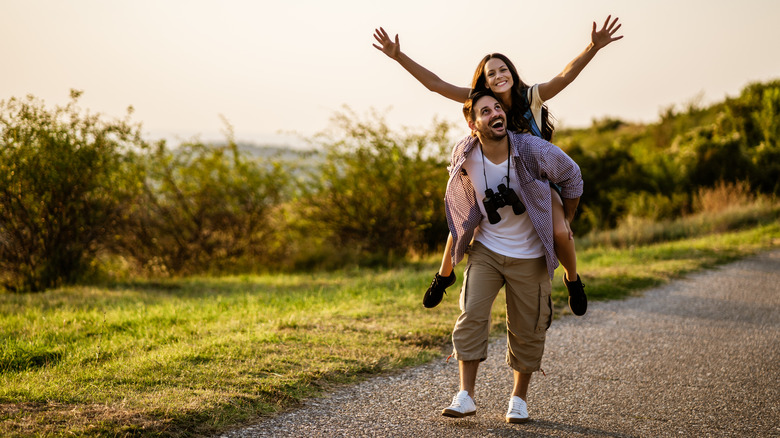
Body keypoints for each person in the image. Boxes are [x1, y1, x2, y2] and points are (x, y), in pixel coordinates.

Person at [372, 16, 622, 315]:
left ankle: (572, 280)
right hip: (492, 177)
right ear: (484, 80)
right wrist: (398, 55)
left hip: (535, 180)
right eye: (492, 73)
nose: (499, 75)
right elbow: (436, 85)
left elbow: (565, 76)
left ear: (512, 73)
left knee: (561, 233)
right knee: (461, 222)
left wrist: (592, 47)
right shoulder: (479, 100)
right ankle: (444, 276)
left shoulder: (531, 97)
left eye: (504, 69)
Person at [440, 89, 582, 423]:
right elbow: (459, 202)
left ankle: (518, 399)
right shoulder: (464, 151)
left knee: (528, 328)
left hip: (531, 254)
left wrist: (565, 219)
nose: (494, 114)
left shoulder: (532, 149)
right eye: (484, 111)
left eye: (497, 107)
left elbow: (572, 174)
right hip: (487, 249)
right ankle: (465, 395)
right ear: (473, 122)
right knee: (471, 314)